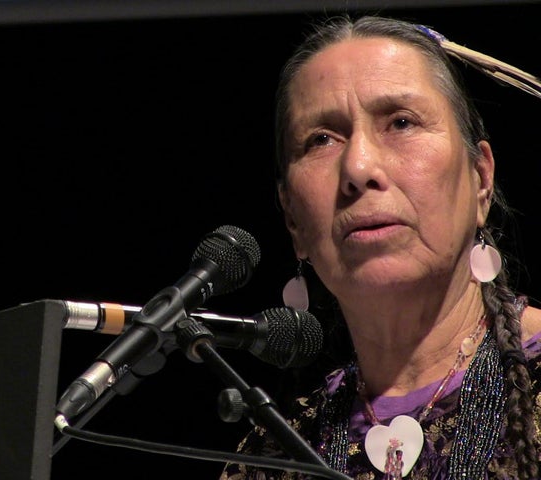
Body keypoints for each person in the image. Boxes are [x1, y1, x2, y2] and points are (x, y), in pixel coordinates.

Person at [219, 13, 541, 480]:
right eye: (321, 139)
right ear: (292, 219)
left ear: (480, 180)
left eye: (401, 122)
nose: (358, 166)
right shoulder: (270, 457)